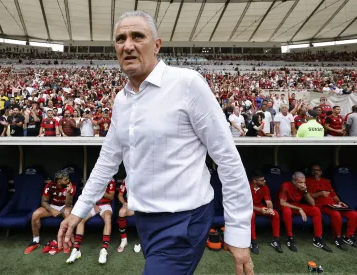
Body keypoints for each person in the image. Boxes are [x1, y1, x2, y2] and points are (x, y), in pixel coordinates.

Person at [57, 10, 253, 275]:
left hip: (185, 219)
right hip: (145, 219)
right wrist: (79, 209)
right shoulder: (121, 100)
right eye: (120, 38)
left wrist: (238, 232)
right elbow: (108, 160)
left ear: (157, 44)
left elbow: (227, 158)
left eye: (138, 36)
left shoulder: (187, 84)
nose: (128, 45)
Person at [278, 172, 332, 253]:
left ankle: (318, 238)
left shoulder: (303, 188)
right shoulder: (285, 186)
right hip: (287, 206)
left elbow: (312, 203)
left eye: (304, 182)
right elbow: (282, 202)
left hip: (297, 206)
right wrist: (299, 208)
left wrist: (306, 191)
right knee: (287, 211)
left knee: (315, 210)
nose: (302, 184)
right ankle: (290, 238)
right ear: (293, 181)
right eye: (300, 182)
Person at [307, 164, 357, 250]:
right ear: (311, 171)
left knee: (354, 214)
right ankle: (337, 237)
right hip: (321, 205)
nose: (316, 172)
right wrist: (320, 193)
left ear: (321, 172)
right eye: (313, 170)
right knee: (336, 214)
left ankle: (348, 236)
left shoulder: (326, 181)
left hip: (333, 204)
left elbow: (333, 194)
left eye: (318, 170)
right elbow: (308, 196)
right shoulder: (307, 181)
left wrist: (339, 202)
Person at [24, 171, 75, 255]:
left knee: (68, 213)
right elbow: (44, 201)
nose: (68, 181)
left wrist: (68, 192)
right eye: (66, 179)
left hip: (64, 206)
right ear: (59, 181)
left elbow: (68, 204)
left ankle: (67, 241)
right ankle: (35, 241)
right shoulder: (50, 186)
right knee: (35, 214)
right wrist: (52, 210)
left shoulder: (71, 186)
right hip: (52, 206)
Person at [66, 179, 115, 264]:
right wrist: (94, 204)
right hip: (92, 204)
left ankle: (104, 249)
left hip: (105, 205)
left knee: (108, 218)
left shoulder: (111, 180)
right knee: (81, 220)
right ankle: (76, 249)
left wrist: (100, 189)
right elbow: (88, 195)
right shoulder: (94, 177)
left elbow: (111, 197)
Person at [249, 171, 282, 254]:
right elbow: (244, 204)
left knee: (275, 214)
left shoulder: (264, 187)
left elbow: (268, 201)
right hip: (248, 207)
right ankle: (253, 241)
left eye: (264, 180)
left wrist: (270, 209)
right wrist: (259, 210)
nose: (264, 181)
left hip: (259, 207)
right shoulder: (246, 186)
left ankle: (275, 240)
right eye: (262, 180)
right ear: (255, 181)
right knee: (251, 215)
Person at [116, 179, 137, 253]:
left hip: (143, 205)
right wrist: (124, 203)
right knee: (121, 212)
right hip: (131, 205)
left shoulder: (144, 177)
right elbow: (120, 195)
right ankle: (124, 240)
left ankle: (145, 240)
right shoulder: (127, 180)